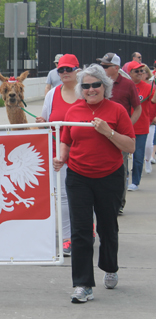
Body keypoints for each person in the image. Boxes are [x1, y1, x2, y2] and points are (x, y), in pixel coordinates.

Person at [54, 64, 135, 303]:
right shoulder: (73, 111)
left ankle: (110, 267)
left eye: (96, 85)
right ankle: (83, 285)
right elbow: (66, 140)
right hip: (78, 177)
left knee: (107, 228)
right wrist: (61, 158)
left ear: (105, 86)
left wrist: (108, 132)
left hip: (109, 177)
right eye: (86, 86)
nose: (91, 90)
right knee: (80, 232)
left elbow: (130, 146)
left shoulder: (116, 110)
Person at [36, 54, 80, 256]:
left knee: (85, 196)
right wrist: (40, 122)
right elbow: (45, 119)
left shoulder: (86, 92)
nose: (64, 73)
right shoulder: (52, 94)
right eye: (61, 70)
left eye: (68, 69)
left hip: (83, 153)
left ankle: (88, 225)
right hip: (58, 155)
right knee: (62, 196)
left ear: (76, 70)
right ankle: (67, 239)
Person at [97, 52, 141, 213]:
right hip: (98, 133)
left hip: (118, 135)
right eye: (102, 65)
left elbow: (138, 108)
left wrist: (128, 125)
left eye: (106, 66)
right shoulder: (96, 83)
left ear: (116, 68)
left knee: (120, 169)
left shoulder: (128, 85)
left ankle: (118, 203)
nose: (102, 68)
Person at [126, 60, 153, 191]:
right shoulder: (126, 86)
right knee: (123, 156)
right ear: (129, 73)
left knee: (138, 156)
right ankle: (124, 178)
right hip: (126, 126)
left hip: (141, 127)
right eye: (136, 71)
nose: (140, 73)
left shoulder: (148, 87)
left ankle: (135, 182)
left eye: (141, 71)